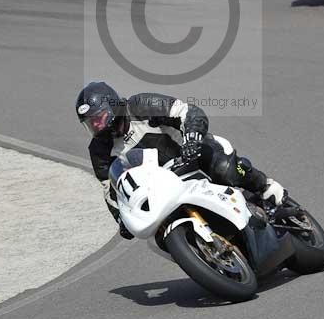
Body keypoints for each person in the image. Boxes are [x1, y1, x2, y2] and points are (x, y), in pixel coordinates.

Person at [76, 81, 286, 239]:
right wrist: (120, 217)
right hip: (159, 188)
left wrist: (192, 138)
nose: (96, 127)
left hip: (190, 156)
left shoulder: (139, 106)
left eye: (99, 119)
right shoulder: (99, 150)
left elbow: (187, 112)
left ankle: (265, 187)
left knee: (225, 169)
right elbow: (110, 188)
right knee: (156, 230)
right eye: (90, 124)